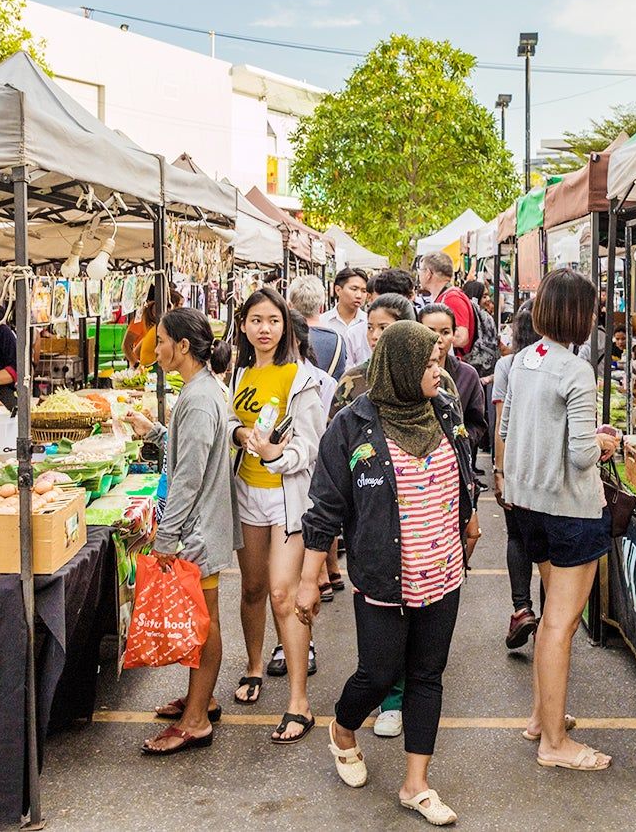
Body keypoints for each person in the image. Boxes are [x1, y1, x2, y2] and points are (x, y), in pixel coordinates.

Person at [297, 320, 479, 827]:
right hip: (382, 576)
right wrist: (310, 579)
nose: (437, 370)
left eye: (438, 359)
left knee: (427, 675)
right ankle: (343, 727)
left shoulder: (443, 408)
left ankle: (416, 783)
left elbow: (464, 468)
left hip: (442, 573)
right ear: (399, 366)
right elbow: (324, 509)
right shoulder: (353, 426)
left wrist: (470, 517)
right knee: (377, 674)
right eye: (427, 362)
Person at [498, 268, 619, 772]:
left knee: (552, 620)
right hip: (570, 510)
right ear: (578, 314)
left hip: (526, 506)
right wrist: (605, 442)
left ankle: (540, 718)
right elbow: (581, 457)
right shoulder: (576, 370)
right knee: (560, 624)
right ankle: (553, 742)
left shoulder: (524, 360)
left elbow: (507, 427)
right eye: (591, 308)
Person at [135, 309, 238, 756]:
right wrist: (159, 432)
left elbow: (188, 478)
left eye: (160, 341)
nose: (154, 350)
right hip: (201, 525)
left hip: (197, 529)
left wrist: (166, 538)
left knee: (206, 619)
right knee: (203, 618)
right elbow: (191, 453)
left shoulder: (198, 398)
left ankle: (195, 720)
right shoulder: (201, 391)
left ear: (181, 346)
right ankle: (203, 697)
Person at [226, 287, 326, 743]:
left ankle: (299, 703)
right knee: (251, 588)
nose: (264, 329)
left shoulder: (301, 377)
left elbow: (311, 448)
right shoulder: (239, 371)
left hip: (287, 500)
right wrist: (240, 432)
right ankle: (252, 667)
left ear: (286, 325)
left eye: (273, 320)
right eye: (255, 320)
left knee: (283, 594)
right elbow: (227, 422)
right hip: (246, 492)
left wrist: (273, 456)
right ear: (243, 325)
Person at [491, 299, 542, 649]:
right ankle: (550, 611)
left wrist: (500, 469)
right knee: (549, 544)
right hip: (549, 465)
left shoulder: (508, 365)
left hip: (519, 465)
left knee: (517, 536)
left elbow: (500, 423)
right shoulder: (565, 364)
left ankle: (522, 608)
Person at [417, 303, 489, 458]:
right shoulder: (407, 373)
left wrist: (458, 443)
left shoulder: (467, 375)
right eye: (430, 331)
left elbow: (477, 423)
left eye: (445, 332)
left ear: (454, 334)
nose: (438, 339)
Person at [289, 276, 351, 382]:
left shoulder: (285, 337)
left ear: (290, 306)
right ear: (321, 307)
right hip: (325, 397)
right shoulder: (337, 340)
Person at [417, 253, 474, 358]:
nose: (418, 275)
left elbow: (461, 338)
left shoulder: (452, 298)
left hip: (454, 367)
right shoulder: (447, 296)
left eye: (420, 270)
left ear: (428, 273)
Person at [322, 267, 370, 368]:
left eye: (363, 291)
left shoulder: (369, 324)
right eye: (354, 289)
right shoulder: (323, 322)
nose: (359, 295)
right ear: (338, 290)